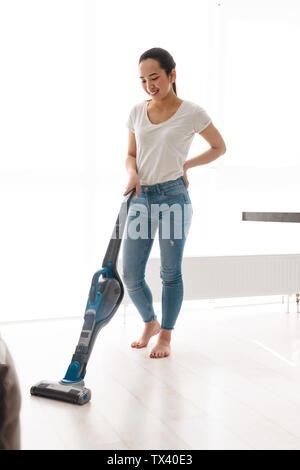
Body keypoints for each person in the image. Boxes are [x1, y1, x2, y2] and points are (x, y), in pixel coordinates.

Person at [122, 47, 226, 359]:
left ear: (172, 75)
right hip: (141, 197)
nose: (148, 85)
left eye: (154, 77)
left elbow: (219, 147)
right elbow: (130, 155)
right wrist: (132, 174)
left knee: (170, 272)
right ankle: (150, 322)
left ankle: (165, 334)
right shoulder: (137, 112)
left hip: (173, 199)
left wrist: (186, 166)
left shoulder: (192, 112)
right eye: (143, 79)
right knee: (130, 273)